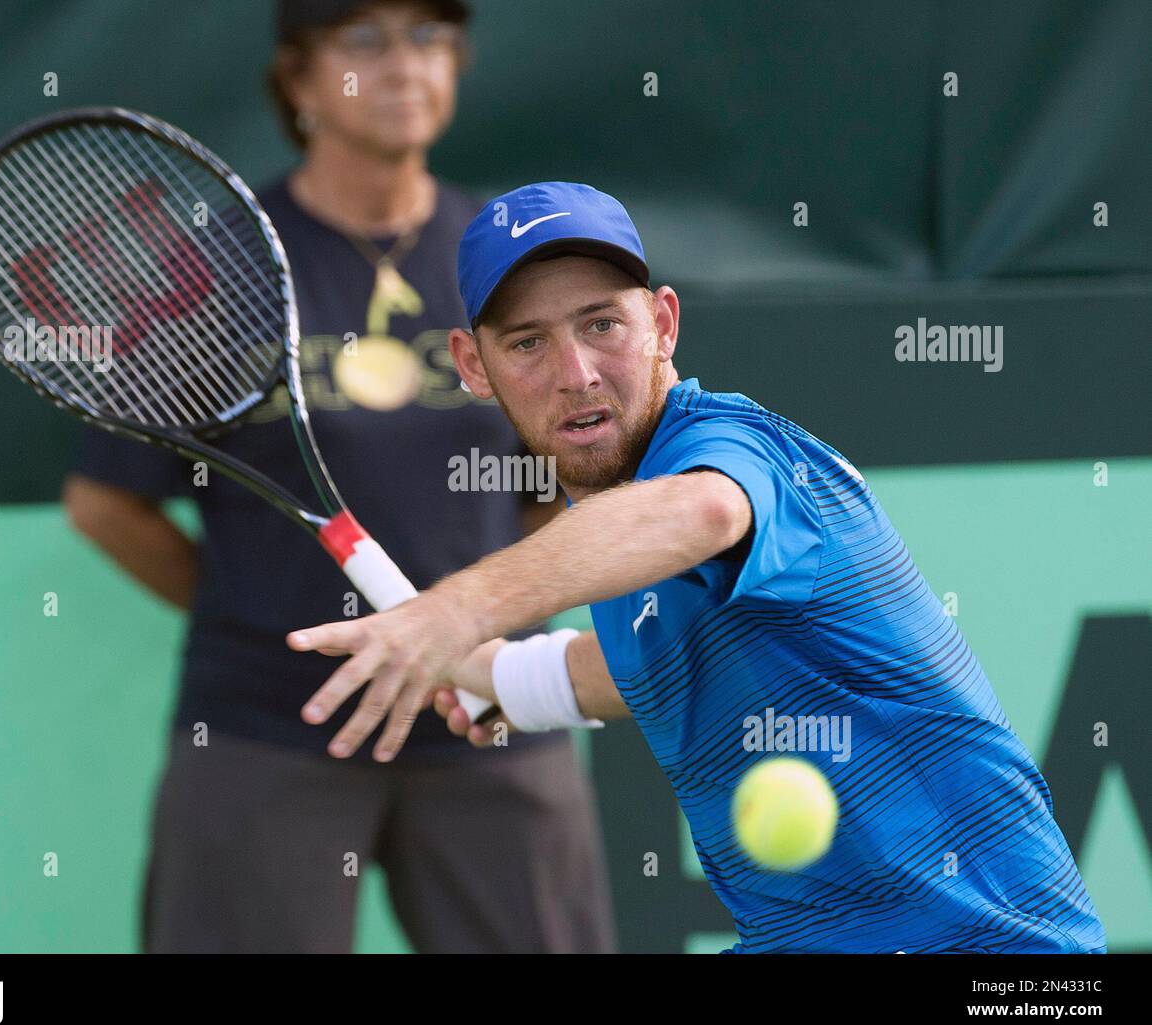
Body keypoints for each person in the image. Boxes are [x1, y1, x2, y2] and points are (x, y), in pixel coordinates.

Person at [286, 181, 1108, 953]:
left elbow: (703, 512)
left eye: (602, 324)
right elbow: (648, 657)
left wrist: (457, 610)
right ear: (473, 366)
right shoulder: (615, 521)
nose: (576, 374)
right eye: (529, 342)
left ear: (664, 325)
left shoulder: (732, 455)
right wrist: (503, 677)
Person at [63, 7, 614, 954]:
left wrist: (470, 627)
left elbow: (551, 488)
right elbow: (107, 504)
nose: (405, 65)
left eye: (430, 38)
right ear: (299, 79)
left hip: (491, 719)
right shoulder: (214, 268)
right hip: (269, 729)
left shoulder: (503, 264)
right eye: (366, 41)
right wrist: (272, 625)